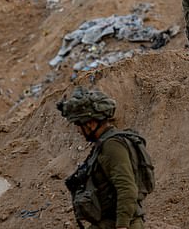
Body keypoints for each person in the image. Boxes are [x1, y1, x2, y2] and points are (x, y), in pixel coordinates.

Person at [57, 87, 144, 229]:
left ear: (91, 124)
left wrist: (122, 225)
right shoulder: (104, 144)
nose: (77, 131)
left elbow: (127, 188)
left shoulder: (112, 146)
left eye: (78, 125)